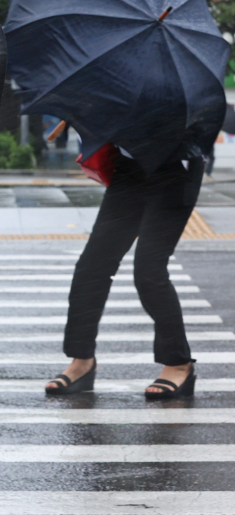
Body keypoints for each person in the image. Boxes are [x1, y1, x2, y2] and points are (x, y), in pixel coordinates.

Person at [45, 148, 203, 398]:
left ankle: (179, 363)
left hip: (174, 171)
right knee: (91, 267)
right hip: (129, 170)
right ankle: (82, 359)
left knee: (149, 271)